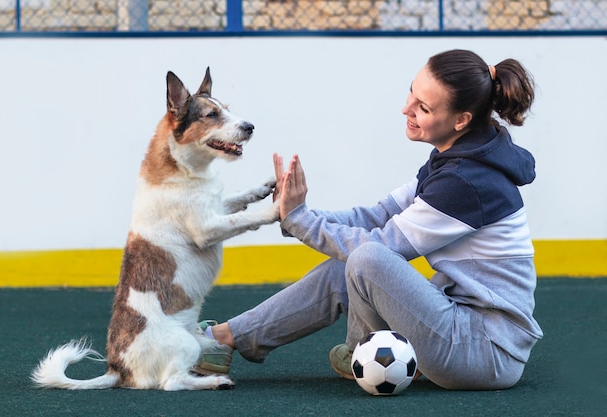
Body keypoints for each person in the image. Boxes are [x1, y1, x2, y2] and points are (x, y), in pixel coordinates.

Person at [196, 49, 543, 390]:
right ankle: (222, 339)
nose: (406, 108)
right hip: (458, 328)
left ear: (461, 120)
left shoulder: (466, 181)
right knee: (347, 264)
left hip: (483, 354)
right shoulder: (455, 160)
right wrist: (294, 214)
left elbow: (380, 247)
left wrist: (299, 220)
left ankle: (368, 351)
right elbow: (375, 217)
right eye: (412, 92)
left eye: (423, 107)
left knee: (365, 257)